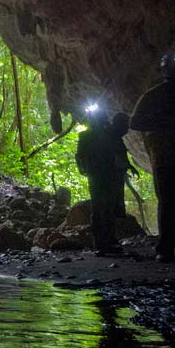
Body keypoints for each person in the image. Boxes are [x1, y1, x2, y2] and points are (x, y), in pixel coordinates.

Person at [130, 52, 175, 262]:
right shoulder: (154, 96)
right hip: (169, 160)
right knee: (170, 206)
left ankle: (165, 249)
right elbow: (136, 122)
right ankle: (165, 248)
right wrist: (167, 122)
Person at [75, 107, 120, 254]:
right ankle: (103, 243)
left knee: (103, 207)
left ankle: (106, 242)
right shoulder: (103, 135)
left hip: (100, 173)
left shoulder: (88, 135)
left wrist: (82, 168)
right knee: (103, 207)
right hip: (101, 174)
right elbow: (80, 155)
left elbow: (79, 155)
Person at [109, 112, 139, 217]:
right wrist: (127, 166)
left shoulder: (115, 137)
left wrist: (130, 166)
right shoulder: (111, 138)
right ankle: (117, 222)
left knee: (117, 199)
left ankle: (118, 220)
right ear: (119, 125)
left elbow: (120, 155)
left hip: (115, 174)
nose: (127, 130)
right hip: (111, 175)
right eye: (125, 126)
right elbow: (116, 155)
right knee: (115, 200)